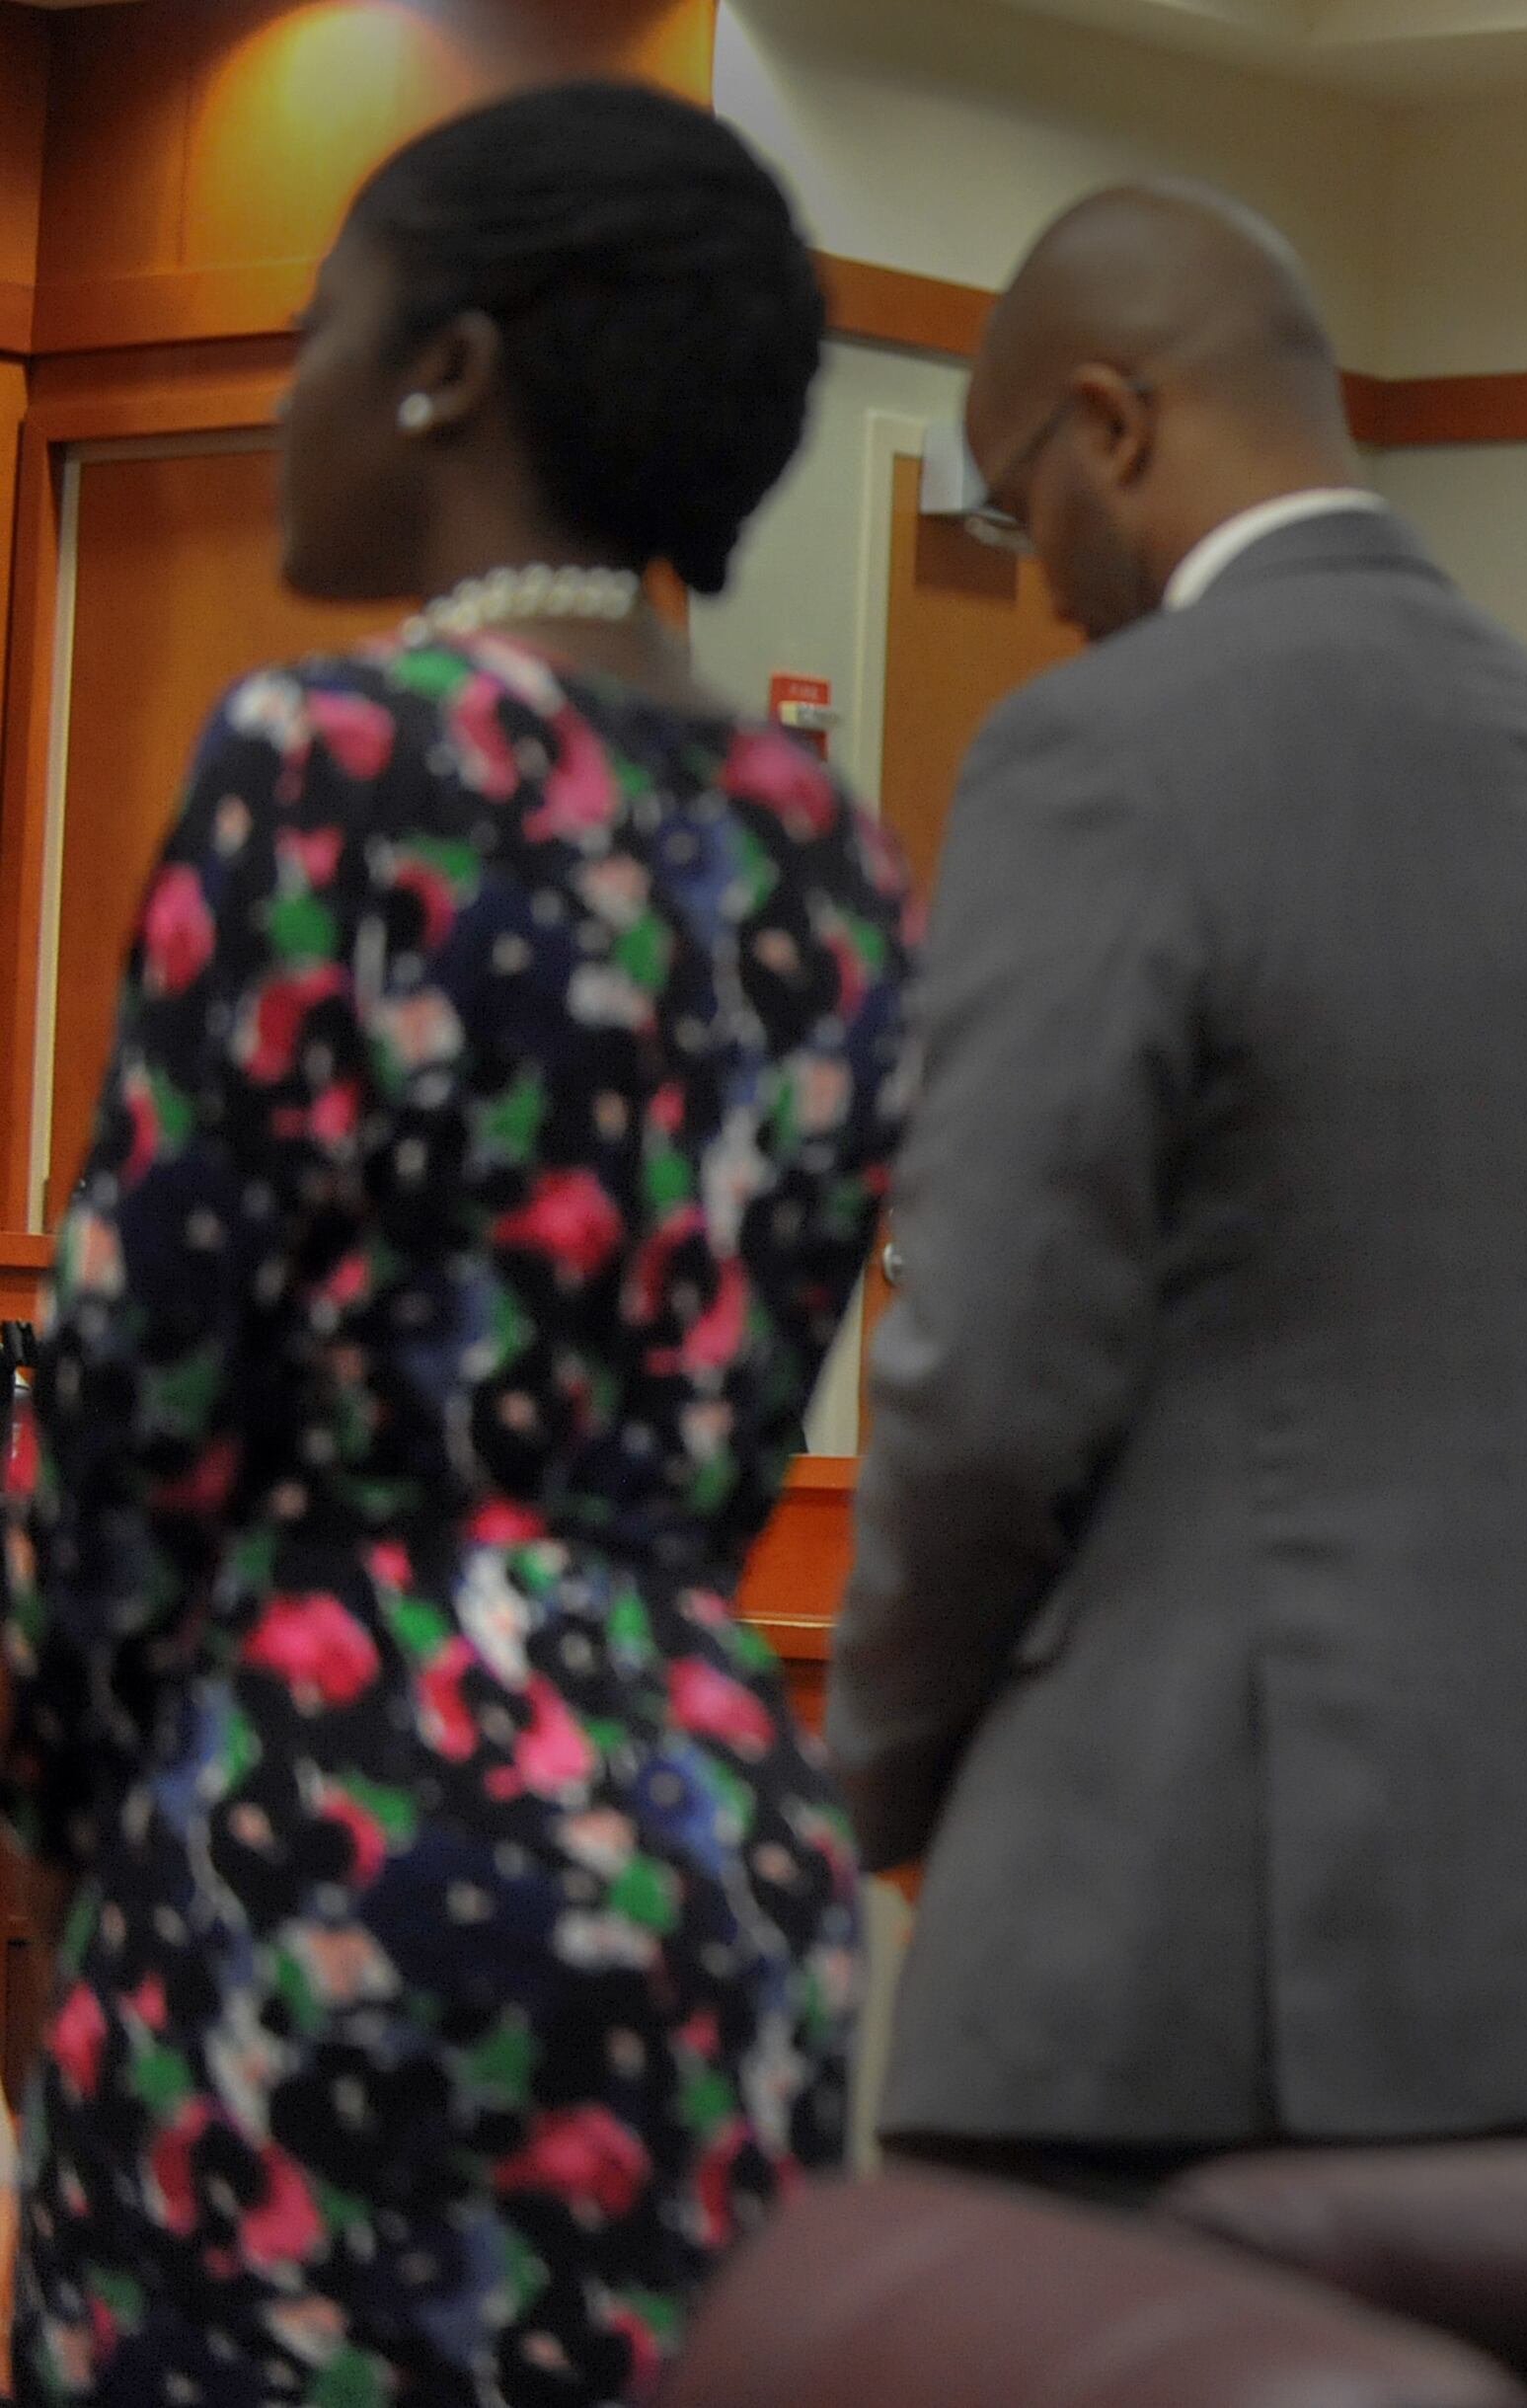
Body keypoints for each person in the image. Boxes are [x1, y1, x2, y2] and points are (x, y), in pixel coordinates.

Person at [3, 83, 903, 2405]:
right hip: (712, 1835)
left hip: (327, 1816)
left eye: (324, 321)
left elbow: (134, 1385)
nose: (288, 391)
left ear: (452, 371)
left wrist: (42, 1823)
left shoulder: (324, 760)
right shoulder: (826, 842)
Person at [825, 183, 1527, 2202]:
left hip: (1144, 1922)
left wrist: (879, 1784)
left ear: (1112, 423)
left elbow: (985, 1379)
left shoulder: (1096, 752)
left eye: (1019, 498)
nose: (1039, 578)